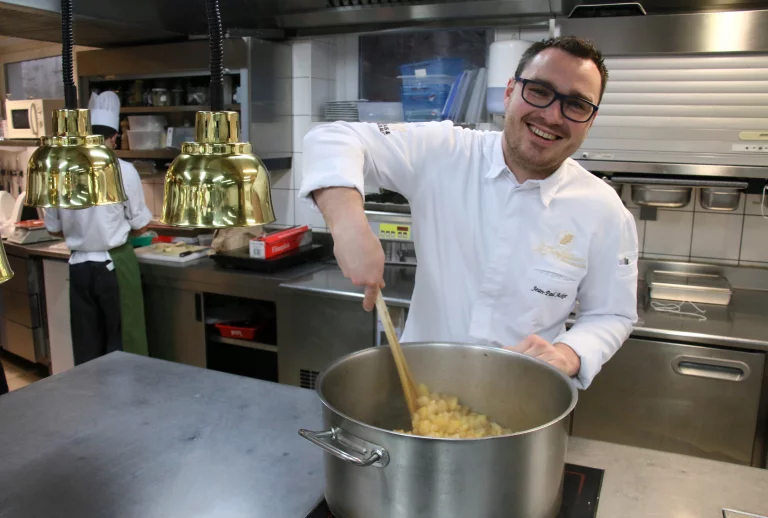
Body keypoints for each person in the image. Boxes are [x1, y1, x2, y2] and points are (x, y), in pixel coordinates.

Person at [298, 36, 639, 389]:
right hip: (421, 394)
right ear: (509, 93)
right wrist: (349, 224)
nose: (553, 116)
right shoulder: (446, 152)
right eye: (539, 91)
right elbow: (332, 137)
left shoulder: (603, 210)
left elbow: (612, 313)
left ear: (591, 120)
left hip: (523, 403)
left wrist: (569, 353)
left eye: (577, 105)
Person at [44, 91, 153, 365]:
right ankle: (124, 401)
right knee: (122, 343)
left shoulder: (61, 171)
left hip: (79, 268)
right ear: (113, 137)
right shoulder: (123, 170)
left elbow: (53, 229)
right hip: (113, 266)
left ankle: (94, 403)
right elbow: (141, 225)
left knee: (87, 346)